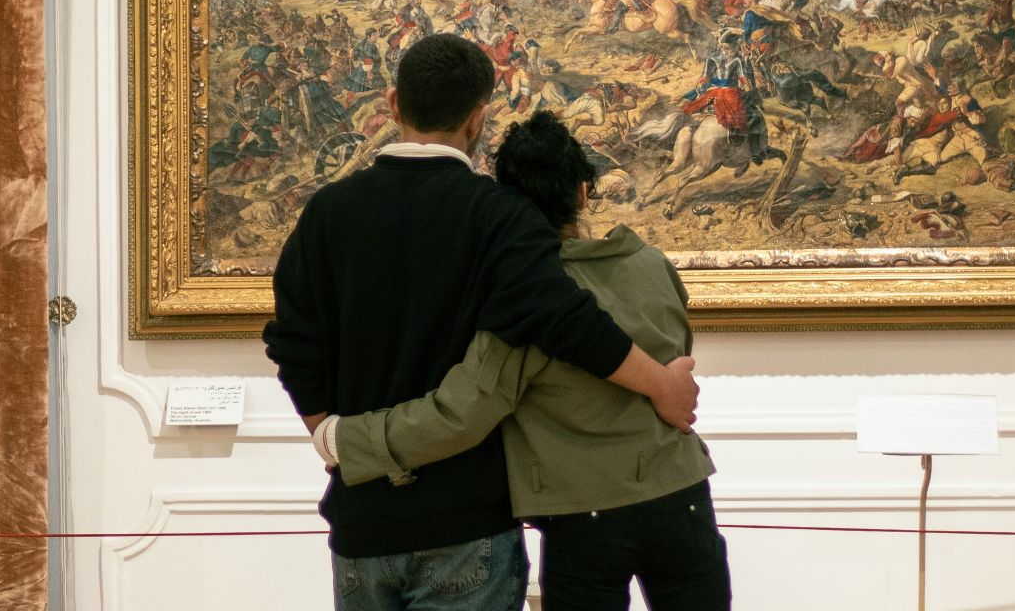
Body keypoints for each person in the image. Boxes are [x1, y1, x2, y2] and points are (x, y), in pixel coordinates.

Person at [263, 34, 700, 611]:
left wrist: (331, 437)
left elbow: (292, 343)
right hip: (467, 521)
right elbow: (564, 317)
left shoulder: (325, 212)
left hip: (362, 519)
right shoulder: (499, 216)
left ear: (393, 105)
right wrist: (662, 385)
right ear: (479, 118)